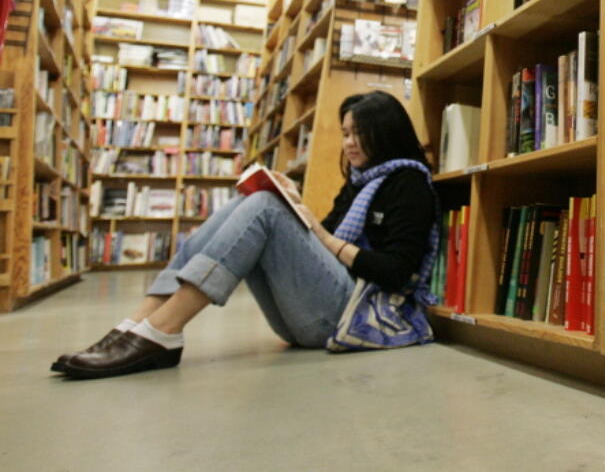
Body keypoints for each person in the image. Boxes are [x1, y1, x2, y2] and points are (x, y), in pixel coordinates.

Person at [53, 90, 437, 379]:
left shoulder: (409, 183)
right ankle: (138, 324)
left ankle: (162, 332)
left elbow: (396, 272)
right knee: (255, 202)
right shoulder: (358, 181)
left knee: (264, 210)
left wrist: (318, 233)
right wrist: (296, 207)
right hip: (315, 315)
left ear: (384, 134)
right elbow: (326, 241)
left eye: (358, 134)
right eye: (345, 133)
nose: (349, 143)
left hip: (350, 318)